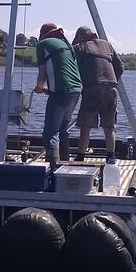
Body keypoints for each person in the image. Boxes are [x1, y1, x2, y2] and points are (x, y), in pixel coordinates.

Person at [71, 26, 123, 162]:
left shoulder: (80, 47)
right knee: (109, 126)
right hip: (112, 88)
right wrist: (111, 81)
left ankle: (81, 156)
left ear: (80, 37)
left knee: (86, 125)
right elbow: (120, 66)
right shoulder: (107, 45)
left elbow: (70, 64)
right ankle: (111, 157)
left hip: (93, 88)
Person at [34, 23, 82, 165]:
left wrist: (39, 87)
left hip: (61, 93)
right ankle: (65, 164)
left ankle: (53, 170)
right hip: (75, 92)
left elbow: (42, 74)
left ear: (42, 33)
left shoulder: (43, 44)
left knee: (50, 133)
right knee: (62, 130)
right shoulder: (65, 44)